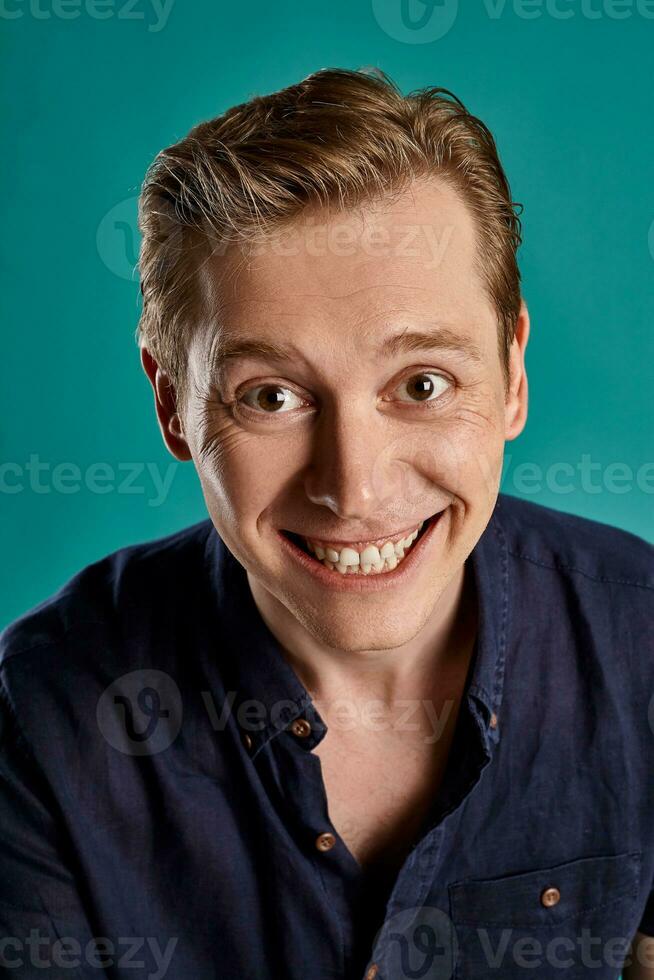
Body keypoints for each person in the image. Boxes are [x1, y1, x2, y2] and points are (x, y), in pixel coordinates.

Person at [1, 67, 653, 980]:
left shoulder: (645, 646)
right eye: (270, 397)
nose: (353, 488)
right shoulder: (40, 719)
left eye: (422, 384)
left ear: (511, 377)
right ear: (172, 405)